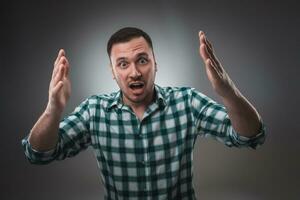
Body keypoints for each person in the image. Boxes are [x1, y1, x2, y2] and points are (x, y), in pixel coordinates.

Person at [22, 27, 266, 199]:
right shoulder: (94, 111)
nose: (135, 73)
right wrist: (53, 109)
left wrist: (228, 91)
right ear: (112, 71)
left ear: (155, 63)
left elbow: (250, 135)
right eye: (123, 64)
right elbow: (38, 154)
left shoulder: (186, 101)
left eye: (142, 60)